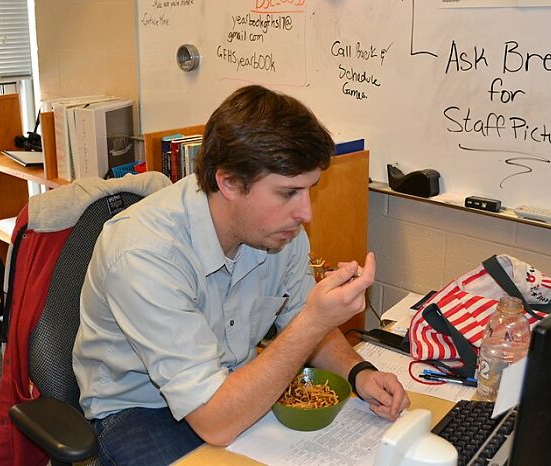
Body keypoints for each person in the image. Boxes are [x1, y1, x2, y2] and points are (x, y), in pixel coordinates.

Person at [72, 85, 410, 465]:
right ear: (229, 182)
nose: (306, 213)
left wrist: (358, 372)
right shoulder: (144, 254)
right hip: (140, 410)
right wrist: (315, 319)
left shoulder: (280, 233)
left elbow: (302, 322)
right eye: (288, 192)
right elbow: (216, 422)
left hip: (230, 389)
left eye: (309, 190)